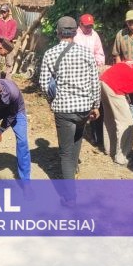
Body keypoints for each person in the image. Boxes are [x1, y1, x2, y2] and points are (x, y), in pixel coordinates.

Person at [39, 16, 100, 182]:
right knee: (77, 141)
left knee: (65, 154)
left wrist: (52, 101)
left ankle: (69, 197)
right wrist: (96, 105)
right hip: (84, 108)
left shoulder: (50, 54)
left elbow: (44, 84)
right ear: (75, 32)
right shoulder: (86, 53)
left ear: (58, 33)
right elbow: (95, 82)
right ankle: (72, 175)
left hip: (63, 109)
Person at [0, 4, 18, 79]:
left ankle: (8, 80)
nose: (3, 13)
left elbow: (13, 34)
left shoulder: (13, 22)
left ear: (8, 12)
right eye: (2, 12)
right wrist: (2, 38)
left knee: (9, 64)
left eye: (4, 12)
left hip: (9, 46)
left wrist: (6, 40)